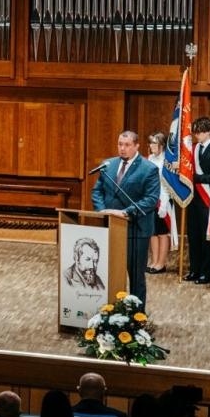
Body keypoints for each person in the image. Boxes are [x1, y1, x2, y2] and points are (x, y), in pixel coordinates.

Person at [90, 130, 161, 306]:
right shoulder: (108, 165)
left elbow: (151, 199)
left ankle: (137, 315)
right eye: (120, 144)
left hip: (135, 229)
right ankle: (109, 311)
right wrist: (102, 210)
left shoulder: (149, 169)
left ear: (136, 146)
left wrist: (126, 212)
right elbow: (97, 191)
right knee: (109, 272)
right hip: (110, 227)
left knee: (136, 276)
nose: (122, 148)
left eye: (127, 145)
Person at [184, 116, 210, 284]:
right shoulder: (193, 149)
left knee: (206, 238)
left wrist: (193, 177)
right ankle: (194, 270)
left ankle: (207, 274)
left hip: (208, 201)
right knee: (193, 237)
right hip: (193, 199)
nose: (196, 135)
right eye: (195, 132)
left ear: (208, 132)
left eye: (199, 132)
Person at [145, 132, 175, 273]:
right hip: (151, 200)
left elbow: (167, 184)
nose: (151, 146)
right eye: (150, 143)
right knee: (152, 232)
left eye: (154, 143)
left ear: (162, 145)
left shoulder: (166, 162)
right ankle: (154, 261)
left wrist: (163, 204)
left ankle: (161, 263)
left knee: (162, 232)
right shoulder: (150, 159)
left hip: (163, 200)